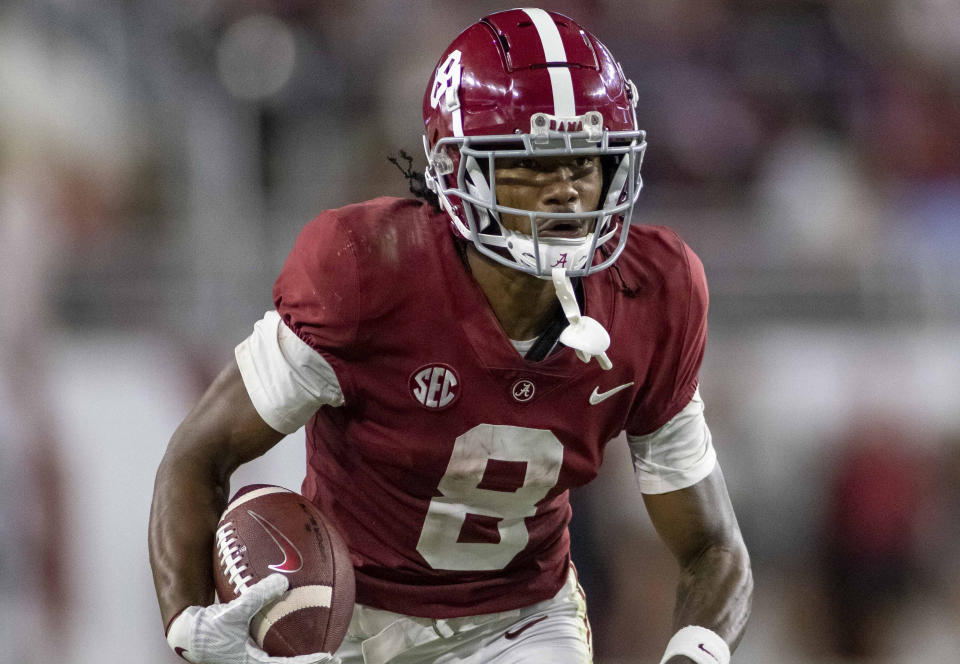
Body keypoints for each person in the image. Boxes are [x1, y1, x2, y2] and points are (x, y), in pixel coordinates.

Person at [149, 8, 752, 664]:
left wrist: (697, 653)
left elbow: (712, 546)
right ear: (458, 168)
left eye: (587, 160)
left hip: (520, 623)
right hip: (345, 617)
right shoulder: (367, 272)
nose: (567, 193)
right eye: (531, 162)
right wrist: (188, 625)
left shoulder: (653, 295)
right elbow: (199, 454)